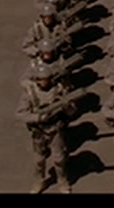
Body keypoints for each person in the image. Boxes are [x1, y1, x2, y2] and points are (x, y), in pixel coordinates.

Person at [16, 62, 75, 194]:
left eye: (47, 79)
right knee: (39, 159)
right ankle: (39, 181)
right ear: (37, 80)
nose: (44, 82)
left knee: (59, 159)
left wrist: (66, 106)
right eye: (41, 79)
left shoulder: (59, 90)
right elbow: (20, 114)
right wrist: (37, 118)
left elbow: (71, 111)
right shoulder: (30, 93)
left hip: (55, 128)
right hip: (39, 130)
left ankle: (62, 181)